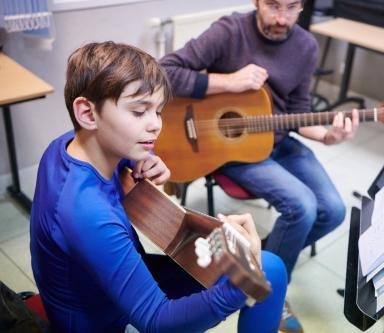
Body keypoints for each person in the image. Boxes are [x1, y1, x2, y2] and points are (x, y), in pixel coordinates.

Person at [30, 41, 287, 333]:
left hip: (104, 282)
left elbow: (114, 145)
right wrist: (244, 284)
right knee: (267, 274)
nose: (155, 125)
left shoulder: (65, 145)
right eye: (139, 112)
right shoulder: (86, 213)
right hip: (99, 317)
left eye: (158, 111)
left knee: (272, 268)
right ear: (88, 114)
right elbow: (156, 321)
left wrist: (145, 158)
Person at [160, 1, 360, 332]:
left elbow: (298, 111)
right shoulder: (229, 31)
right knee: (302, 207)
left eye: (292, 7)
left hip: (280, 141)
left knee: (334, 210)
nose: (282, 18)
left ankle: (256, 257)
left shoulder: (306, 46)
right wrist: (228, 82)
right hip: (231, 149)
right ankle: (270, 293)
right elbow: (164, 70)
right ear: (256, 1)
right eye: (273, 5)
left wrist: (328, 137)